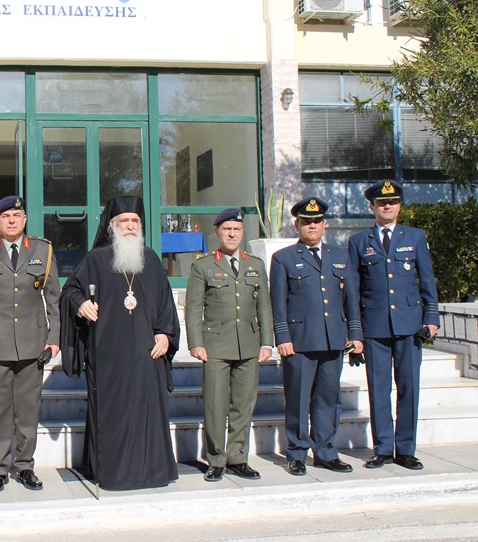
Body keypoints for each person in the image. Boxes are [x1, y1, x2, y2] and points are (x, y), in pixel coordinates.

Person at [60, 195, 180, 491]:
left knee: (148, 415)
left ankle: (152, 473)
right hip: (108, 357)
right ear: (111, 226)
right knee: (113, 416)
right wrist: (80, 305)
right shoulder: (96, 259)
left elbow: (166, 305)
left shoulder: (150, 260)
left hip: (146, 356)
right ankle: (113, 474)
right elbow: (69, 291)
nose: (130, 226)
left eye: (135, 221)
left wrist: (165, 334)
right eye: (123, 221)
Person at [0, 195, 60, 492]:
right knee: (0, 410)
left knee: (28, 410)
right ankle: (0, 469)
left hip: (33, 341)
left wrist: (54, 338)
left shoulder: (43, 250)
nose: (12, 221)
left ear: (24, 220)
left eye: (16, 216)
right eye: (5, 217)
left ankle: (25, 466)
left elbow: (54, 297)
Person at [348, 180, 439, 470]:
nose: (388, 206)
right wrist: (356, 332)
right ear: (372, 206)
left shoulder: (415, 236)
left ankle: (407, 449)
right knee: (378, 388)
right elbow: (353, 289)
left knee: (409, 387)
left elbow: (427, 281)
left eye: (393, 202)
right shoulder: (359, 242)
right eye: (382, 202)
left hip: (410, 326)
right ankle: (383, 449)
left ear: (399, 206)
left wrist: (432, 318)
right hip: (374, 327)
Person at [270, 197, 364, 476]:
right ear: (296, 225)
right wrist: (282, 337)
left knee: (328, 398)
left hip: (334, 339)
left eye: (317, 221)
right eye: (306, 222)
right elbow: (278, 303)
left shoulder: (341, 256)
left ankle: (325, 452)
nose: (312, 225)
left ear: (324, 225)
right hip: (299, 341)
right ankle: (297, 453)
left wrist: (356, 334)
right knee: (298, 399)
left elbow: (351, 300)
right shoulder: (284, 258)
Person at [185, 208, 274, 482]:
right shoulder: (204, 265)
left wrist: (267, 342)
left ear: (243, 232)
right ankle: (216, 459)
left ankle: (238, 458)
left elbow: (265, 307)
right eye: (227, 229)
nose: (232, 234)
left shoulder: (256, 265)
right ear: (217, 233)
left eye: (236, 229)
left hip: (248, 343)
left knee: (243, 404)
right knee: (215, 404)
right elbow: (193, 307)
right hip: (215, 345)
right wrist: (195, 343)